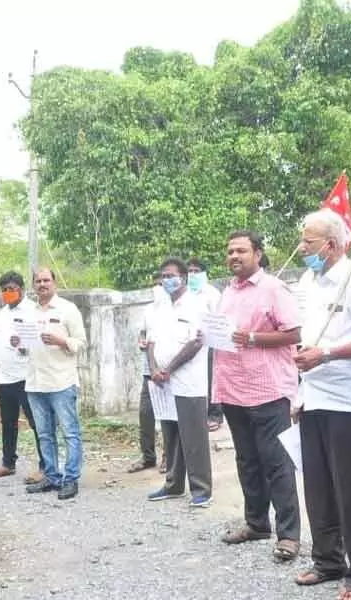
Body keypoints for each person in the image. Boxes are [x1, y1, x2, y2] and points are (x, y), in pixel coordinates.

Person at [292, 211, 351, 599]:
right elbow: (306, 337)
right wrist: (300, 389)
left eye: (308, 242)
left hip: (348, 398)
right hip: (313, 395)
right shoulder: (308, 281)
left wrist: (326, 354)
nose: (302, 248)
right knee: (318, 485)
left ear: (330, 245)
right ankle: (327, 559)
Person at [215, 230, 303, 563]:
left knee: (276, 463)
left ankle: (289, 535)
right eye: (230, 251)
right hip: (233, 389)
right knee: (247, 461)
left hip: (268, 390)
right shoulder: (227, 292)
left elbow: (294, 333)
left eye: (240, 250)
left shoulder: (274, 289)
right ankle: (256, 523)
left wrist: (252, 338)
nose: (234, 256)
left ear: (258, 254)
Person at [145, 257, 212, 508]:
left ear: (183, 278)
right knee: (171, 434)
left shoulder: (197, 305)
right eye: (163, 276)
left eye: (171, 275)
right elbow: (150, 342)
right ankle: (173, 484)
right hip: (162, 383)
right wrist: (153, 369)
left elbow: (196, 342)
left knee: (194, 436)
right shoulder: (161, 307)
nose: (167, 280)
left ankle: (202, 489)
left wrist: (169, 369)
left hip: (188, 381)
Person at [24, 268, 88, 500]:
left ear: (54, 283)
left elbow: (81, 343)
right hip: (35, 382)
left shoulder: (67, 309)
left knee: (70, 433)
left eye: (46, 280)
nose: (42, 284)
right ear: (33, 285)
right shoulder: (28, 311)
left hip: (61, 381)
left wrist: (62, 341)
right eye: (38, 281)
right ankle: (51, 476)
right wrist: (19, 343)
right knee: (44, 434)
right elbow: (26, 347)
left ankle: (71, 480)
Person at [0, 271, 46, 483]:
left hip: (25, 376)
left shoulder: (32, 311)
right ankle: (8, 463)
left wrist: (22, 347)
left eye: (12, 289)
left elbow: (37, 342)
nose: (8, 293)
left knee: (36, 422)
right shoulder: (2, 313)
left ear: (22, 289)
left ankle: (45, 466)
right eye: (4, 290)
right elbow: (1, 341)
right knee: (8, 422)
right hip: (3, 376)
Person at [129, 271, 169, 474]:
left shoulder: (175, 309)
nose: (157, 288)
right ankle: (148, 456)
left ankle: (168, 458)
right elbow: (142, 333)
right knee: (146, 415)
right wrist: (141, 341)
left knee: (168, 417)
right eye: (155, 284)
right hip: (148, 371)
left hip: (168, 371)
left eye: (161, 284)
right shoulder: (148, 310)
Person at [186, 258, 223, 433]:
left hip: (209, 343)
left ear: (203, 273)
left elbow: (218, 317)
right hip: (188, 343)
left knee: (211, 378)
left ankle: (214, 415)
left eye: (195, 271)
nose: (192, 274)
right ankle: (196, 415)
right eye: (189, 271)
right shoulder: (185, 293)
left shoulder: (212, 293)